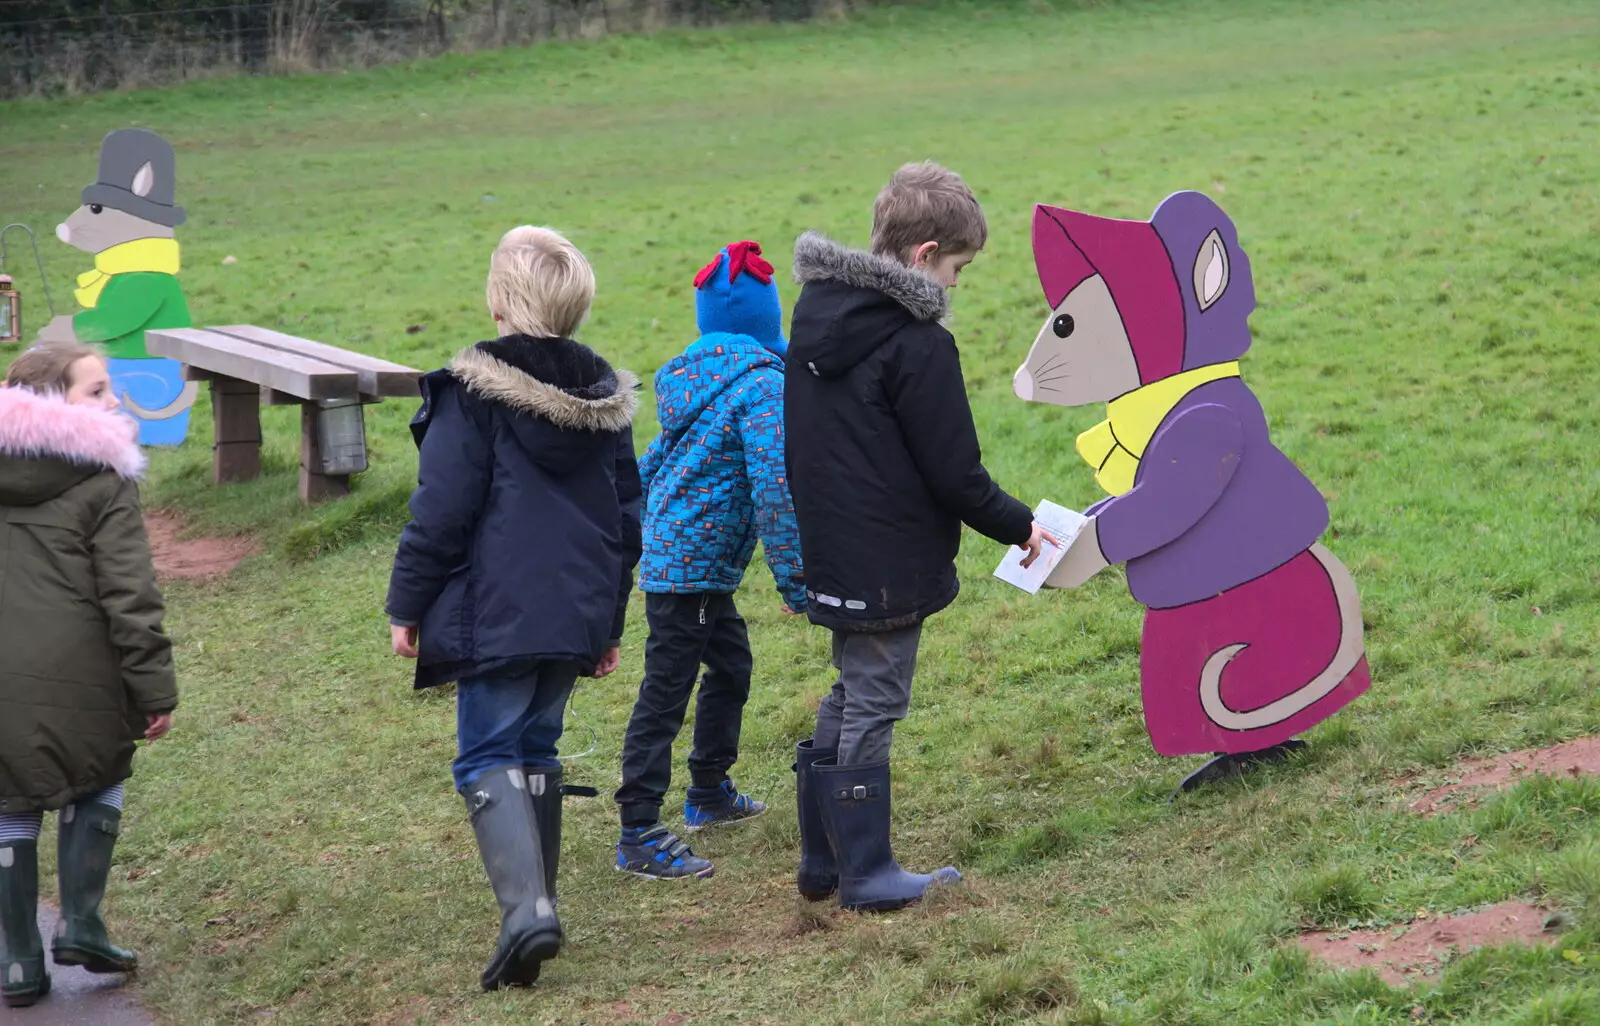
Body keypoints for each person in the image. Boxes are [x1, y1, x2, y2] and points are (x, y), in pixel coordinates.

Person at [784, 163, 1048, 911]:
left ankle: (824, 859)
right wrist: (1020, 526)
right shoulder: (917, 344)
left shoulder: (816, 321)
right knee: (875, 701)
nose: (958, 285)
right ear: (926, 254)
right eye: (959, 268)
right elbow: (956, 473)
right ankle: (866, 871)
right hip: (887, 561)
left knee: (849, 689)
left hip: (832, 549)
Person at [384, 227, 642, 990]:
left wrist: (406, 604)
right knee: (535, 748)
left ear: (498, 301)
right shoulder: (605, 401)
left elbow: (441, 512)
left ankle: (528, 913)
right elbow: (629, 520)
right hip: (575, 614)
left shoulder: (472, 396)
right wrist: (609, 621)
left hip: (496, 615)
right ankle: (538, 908)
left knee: (486, 753)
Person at [614, 241, 807, 881]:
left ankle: (708, 793)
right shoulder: (761, 388)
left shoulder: (692, 380)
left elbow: (658, 461)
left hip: (687, 561)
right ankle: (639, 828)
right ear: (767, 323)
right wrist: (798, 580)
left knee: (731, 665)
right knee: (665, 692)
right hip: (690, 568)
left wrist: (634, 517)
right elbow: (776, 488)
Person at [0, 342, 177, 1009]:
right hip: (80, 671)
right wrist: (154, 689)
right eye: (97, 391)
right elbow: (130, 597)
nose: (113, 402)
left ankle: (17, 959)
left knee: (6, 798)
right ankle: (82, 924)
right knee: (101, 772)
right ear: (52, 403)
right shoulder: (103, 477)